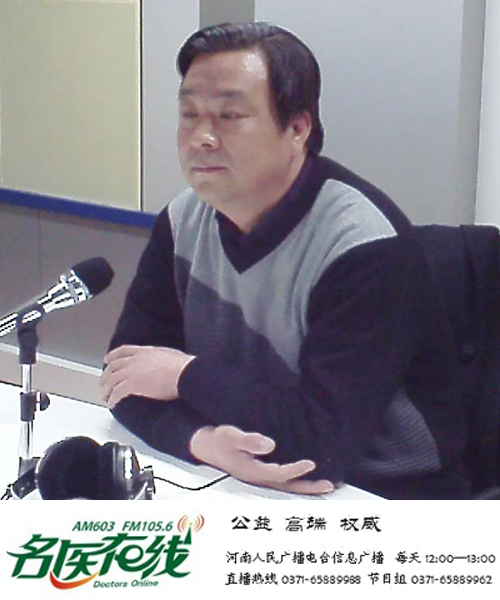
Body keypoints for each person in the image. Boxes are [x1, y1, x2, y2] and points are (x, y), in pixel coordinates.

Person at [101, 21, 471, 499]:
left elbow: (321, 446)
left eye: (229, 116)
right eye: (189, 114)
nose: (201, 137)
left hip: (385, 492)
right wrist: (204, 442)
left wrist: (183, 376)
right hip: (244, 472)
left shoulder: (361, 245)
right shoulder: (182, 221)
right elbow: (124, 380)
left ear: (297, 128)